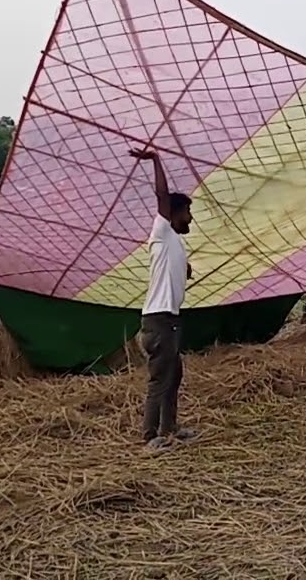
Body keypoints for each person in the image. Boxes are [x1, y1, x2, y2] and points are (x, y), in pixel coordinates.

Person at [129, 148, 196, 452]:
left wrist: (186, 269)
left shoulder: (175, 244)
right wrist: (155, 159)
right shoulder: (163, 231)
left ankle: (170, 427)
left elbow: (175, 268)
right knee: (160, 379)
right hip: (158, 320)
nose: (190, 218)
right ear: (174, 212)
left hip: (169, 320)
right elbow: (162, 195)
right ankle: (149, 437)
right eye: (187, 212)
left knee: (174, 373)